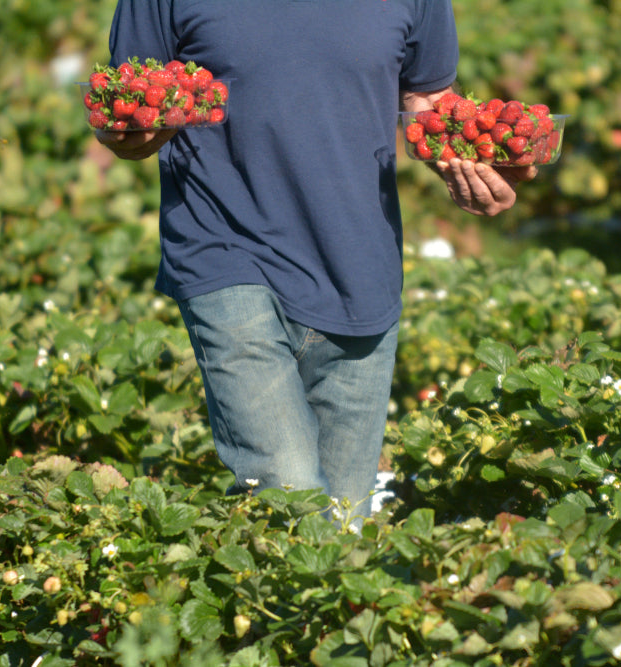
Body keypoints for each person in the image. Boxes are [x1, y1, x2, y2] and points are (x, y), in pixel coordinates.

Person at [95, 1, 536, 523]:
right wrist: (128, 132)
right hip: (225, 252)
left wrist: (467, 158)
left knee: (344, 525)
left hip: (359, 264)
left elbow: (426, 95)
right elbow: (127, 98)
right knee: (292, 497)